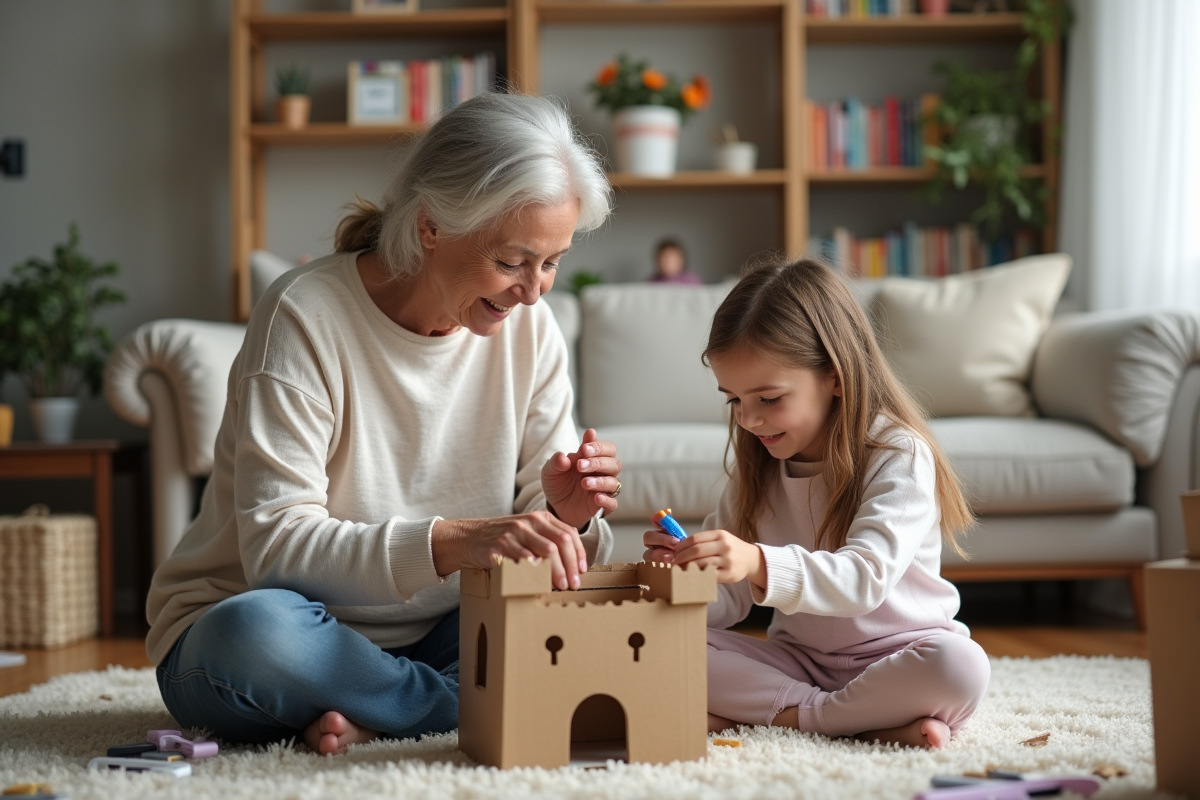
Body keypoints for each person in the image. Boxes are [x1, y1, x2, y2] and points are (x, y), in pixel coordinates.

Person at [146, 93, 623, 756]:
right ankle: (443, 704)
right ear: (431, 226)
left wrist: (567, 515)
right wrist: (454, 543)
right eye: (513, 261)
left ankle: (376, 706)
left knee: (588, 625)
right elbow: (277, 552)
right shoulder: (305, 315)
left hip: (443, 626)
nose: (534, 291)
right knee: (252, 637)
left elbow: (544, 548)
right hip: (276, 626)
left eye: (552, 261)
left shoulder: (529, 328)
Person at [643, 258, 989, 750]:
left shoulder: (898, 454)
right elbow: (727, 604)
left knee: (961, 665)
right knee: (652, 640)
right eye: (734, 400)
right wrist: (684, 576)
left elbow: (863, 581)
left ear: (836, 377)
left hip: (902, 654)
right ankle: (851, 722)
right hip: (800, 662)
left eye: (768, 398)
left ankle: (792, 716)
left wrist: (755, 560)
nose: (748, 420)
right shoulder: (756, 470)